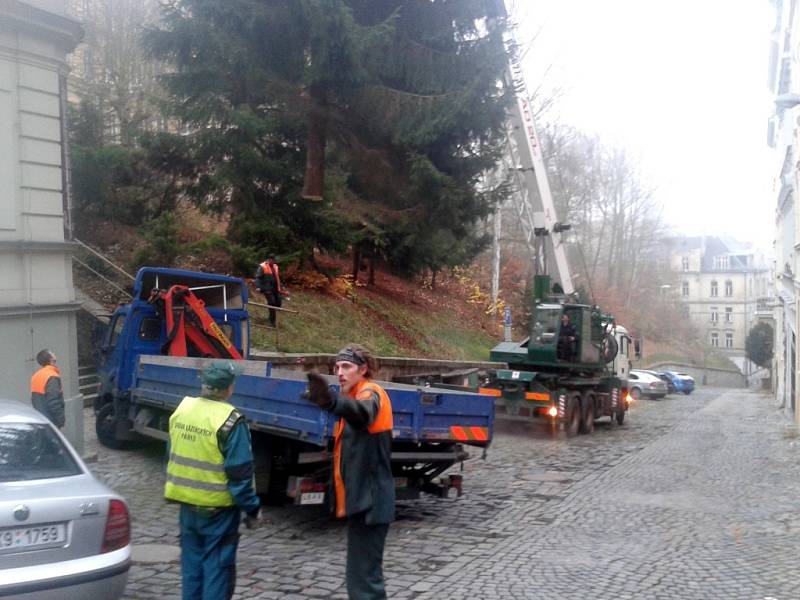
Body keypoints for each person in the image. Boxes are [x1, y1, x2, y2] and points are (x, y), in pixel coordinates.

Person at [164, 360, 261, 600]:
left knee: (192, 572)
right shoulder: (231, 421)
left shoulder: (183, 409)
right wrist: (253, 509)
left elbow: (171, 452)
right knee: (217, 572)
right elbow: (239, 475)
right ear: (229, 387)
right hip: (218, 513)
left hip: (187, 507)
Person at [306, 344, 394, 600]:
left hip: (371, 502)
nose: (340, 372)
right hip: (364, 500)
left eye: (346, 366)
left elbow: (363, 414)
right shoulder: (356, 395)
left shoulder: (370, 392)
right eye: (337, 367)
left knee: (365, 582)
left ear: (363, 369)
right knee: (360, 577)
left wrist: (332, 402)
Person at [30, 349, 65, 428]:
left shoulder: (36, 375)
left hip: (41, 418)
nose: (54, 353)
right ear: (50, 359)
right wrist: (60, 420)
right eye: (52, 352)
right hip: (51, 421)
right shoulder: (52, 376)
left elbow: (33, 399)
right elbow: (54, 402)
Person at [255, 256, 286, 327]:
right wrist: (258, 287)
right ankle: (273, 322)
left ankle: (270, 317)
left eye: (273, 260)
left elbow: (277, 278)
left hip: (275, 288)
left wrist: (282, 287)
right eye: (270, 260)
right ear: (268, 260)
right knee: (272, 303)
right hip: (267, 289)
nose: (272, 261)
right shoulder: (262, 266)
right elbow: (257, 278)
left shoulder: (275, 267)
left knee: (278, 302)